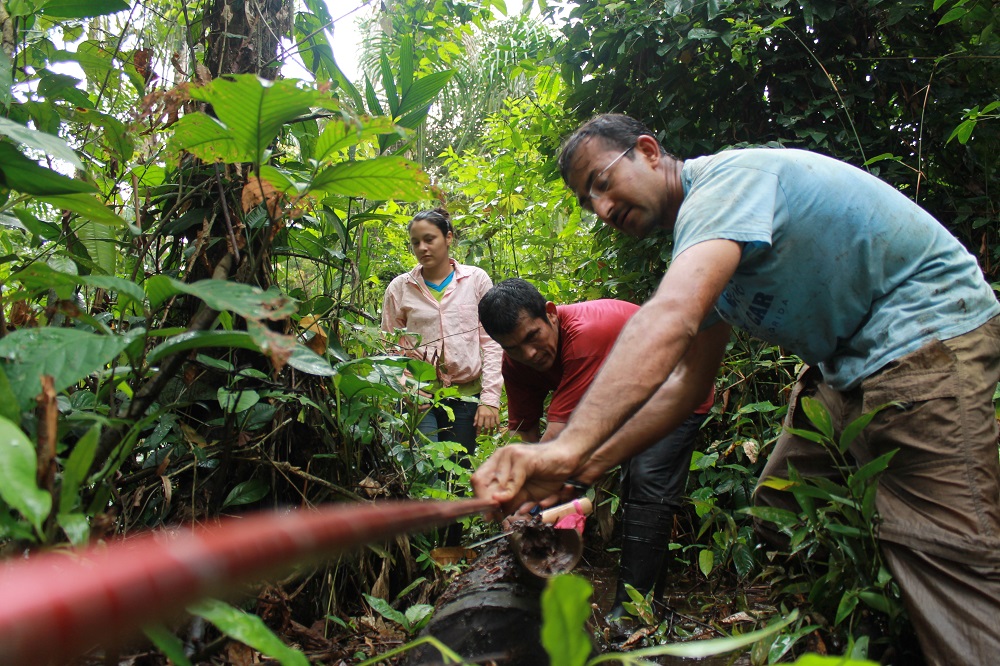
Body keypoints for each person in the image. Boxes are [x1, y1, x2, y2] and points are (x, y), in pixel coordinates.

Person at [470, 113, 1000, 665]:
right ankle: (869, 632)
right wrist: (582, 468)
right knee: (784, 504)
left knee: (948, 558)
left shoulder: (728, 184)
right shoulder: (704, 242)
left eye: (602, 182)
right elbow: (686, 385)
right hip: (845, 366)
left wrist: (565, 449)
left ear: (648, 151)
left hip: (925, 337)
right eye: (588, 202)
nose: (602, 208)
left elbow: (671, 317)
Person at [477, 278, 714, 627]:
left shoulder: (585, 338)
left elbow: (558, 440)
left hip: (678, 386)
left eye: (532, 337)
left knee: (647, 483)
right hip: (622, 403)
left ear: (551, 314)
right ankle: (650, 603)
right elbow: (527, 435)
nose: (529, 354)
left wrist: (531, 501)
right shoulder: (516, 364)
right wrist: (520, 503)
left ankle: (632, 617)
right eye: (513, 348)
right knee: (637, 490)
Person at [381, 207, 502, 470]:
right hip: (418, 397)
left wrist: (490, 400)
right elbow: (390, 347)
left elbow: (492, 342)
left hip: (465, 395)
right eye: (416, 242)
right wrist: (406, 387)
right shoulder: (400, 288)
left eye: (429, 239)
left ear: (448, 238)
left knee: (457, 470)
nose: (422, 248)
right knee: (424, 470)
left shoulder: (475, 280)